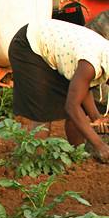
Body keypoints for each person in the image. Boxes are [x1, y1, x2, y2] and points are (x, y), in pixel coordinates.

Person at [8, 18, 109, 163]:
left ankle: (78, 157)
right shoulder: (90, 64)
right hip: (29, 46)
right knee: (42, 111)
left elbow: (83, 88)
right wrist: (100, 146)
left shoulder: (103, 57)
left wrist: (96, 117)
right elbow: (71, 107)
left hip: (54, 49)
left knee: (79, 106)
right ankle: (32, 163)